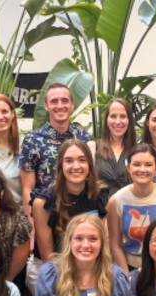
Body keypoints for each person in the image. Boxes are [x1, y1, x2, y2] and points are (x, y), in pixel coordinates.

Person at [108, 144, 156, 272]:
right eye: (136, 164)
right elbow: (115, 245)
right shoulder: (116, 200)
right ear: (129, 167)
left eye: (148, 165)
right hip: (129, 268)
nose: (142, 169)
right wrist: (126, 278)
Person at [20, 83, 90, 216]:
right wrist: (32, 223)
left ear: (72, 105)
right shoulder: (32, 140)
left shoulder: (83, 137)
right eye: (54, 101)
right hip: (45, 213)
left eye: (64, 101)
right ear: (46, 106)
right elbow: (27, 188)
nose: (60, 105)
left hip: (79, 212)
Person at [32, 140, 108, 263]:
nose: (76, 166)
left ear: (90, 164)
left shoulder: (100, 196)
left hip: (89, 265)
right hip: (52, 269)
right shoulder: (43, 202)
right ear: (61, 165)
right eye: (69, 161)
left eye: (82, 160)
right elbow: (48, 258)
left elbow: (102, 243)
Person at [91, 98, 137, 198]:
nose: (117, 121)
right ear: (107, 120)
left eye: (123, 116)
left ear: (129, 120)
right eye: (113, 116)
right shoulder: (93, 148)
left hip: (129, 208)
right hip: (101, 209)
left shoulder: (137, 151)